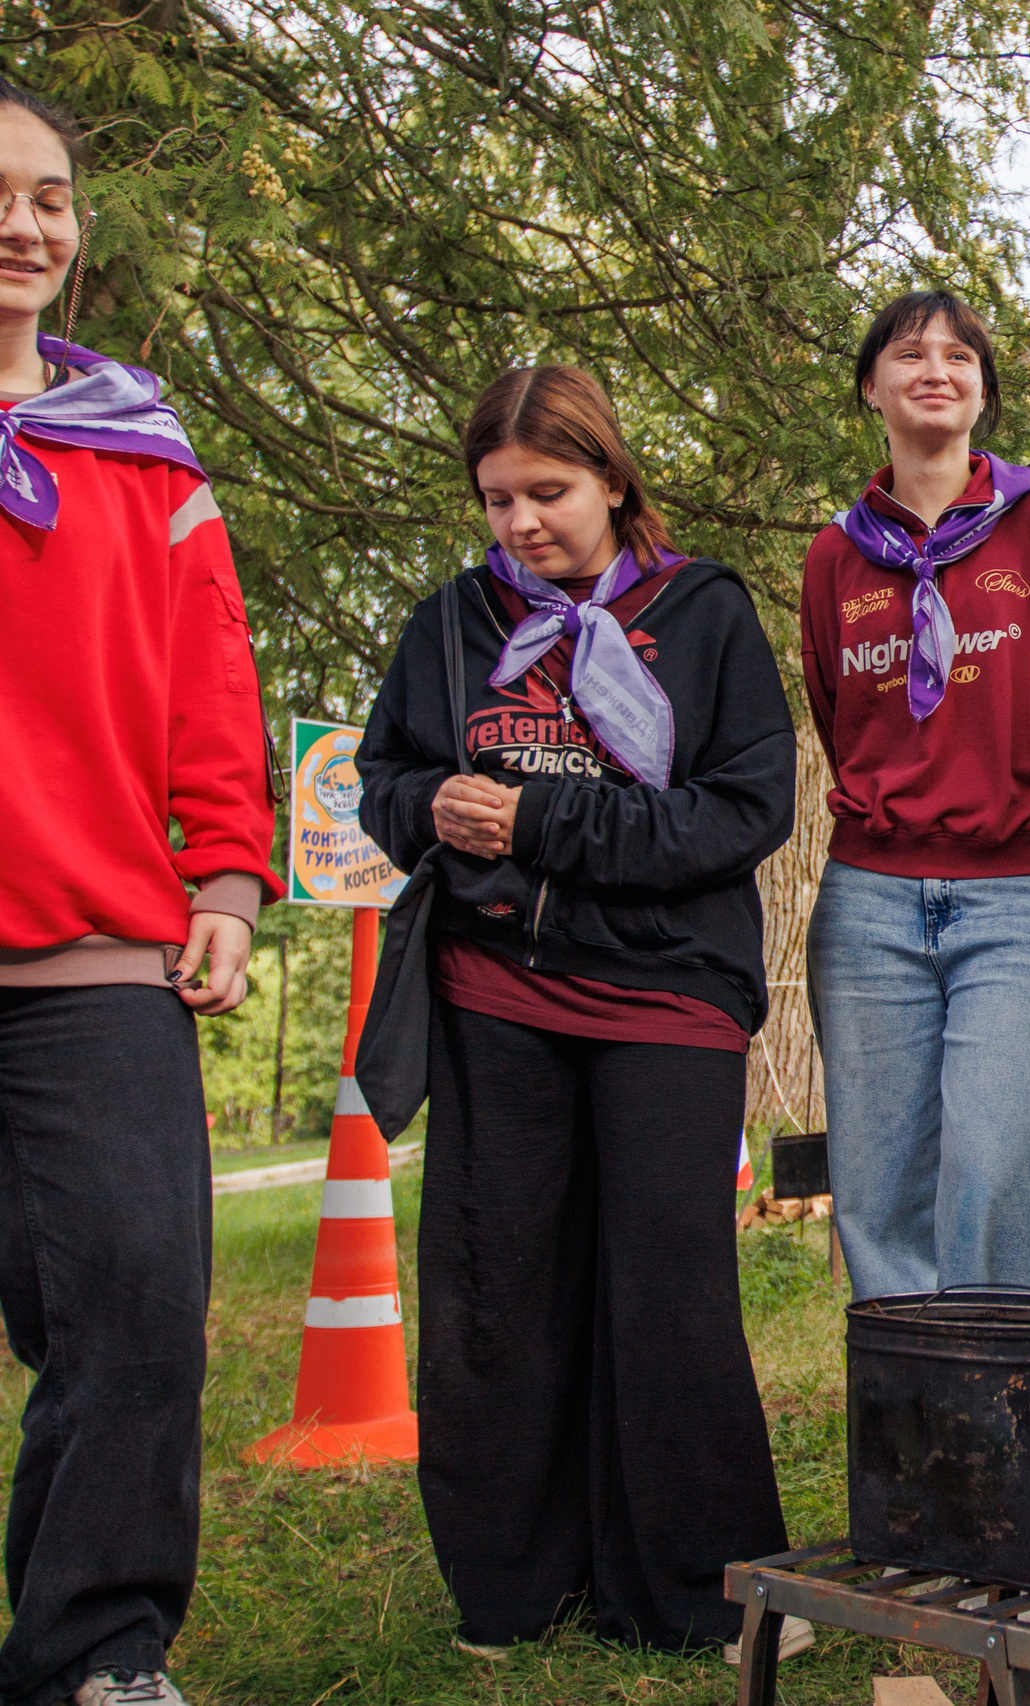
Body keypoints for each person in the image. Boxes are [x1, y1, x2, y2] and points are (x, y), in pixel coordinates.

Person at [354, 367, 799, 1663]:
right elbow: (385, 779)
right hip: (494, 988)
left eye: (547, 492)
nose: (522, 523)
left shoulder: (701, 610)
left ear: (612, 476)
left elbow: (741, 811)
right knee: (498, 1296)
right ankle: (511, 1588)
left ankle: (695, 1591)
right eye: (497, 499)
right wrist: (427, 806)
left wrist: (541, 816)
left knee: (671, 1295)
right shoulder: (449, 623)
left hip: (669, 991)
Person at [0, 80, 277, 1706]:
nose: (21, 223)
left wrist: (228, 871)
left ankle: (95, 1652)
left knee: (134, 1318)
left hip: (98, 963)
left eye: (46, 194)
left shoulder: (139, 448)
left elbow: (208, 673)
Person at [799, 290, 1030, 1300]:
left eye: (961, 356)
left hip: (1016, 891)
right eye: (910, 352)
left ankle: (1020, 1414)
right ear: (871, 385)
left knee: (1000, 1167)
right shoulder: (837, 555)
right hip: (871, 898)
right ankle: (917, 1435)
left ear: (982, 393)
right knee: (878, 1191)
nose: (936, 367)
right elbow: (840, 712)